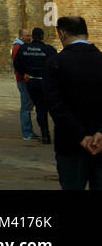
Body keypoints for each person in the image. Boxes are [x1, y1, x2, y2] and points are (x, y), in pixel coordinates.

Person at [43, 16, 102, 190]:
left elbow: (55, 106)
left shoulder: (55, 63)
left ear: (62, 34)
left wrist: (81, 136)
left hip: (70, 144)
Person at [14, 27, 57, 143]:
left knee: (39, 108)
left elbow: (17, 65)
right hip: (45, 82)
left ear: (32, 36)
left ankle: (45, 133)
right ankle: (48, 134)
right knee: (48, 108)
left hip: (31, 82)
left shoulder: (24, 48)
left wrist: (26, 73)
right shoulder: (49, 49)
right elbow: (56, 65)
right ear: (42, 36)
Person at [12, 28, 35, 141]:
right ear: (21, 36)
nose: (29, 38)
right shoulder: (18, 47)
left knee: (28, 106)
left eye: (30, 35)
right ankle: (27, 133)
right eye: (27, 36)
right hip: (23, 79)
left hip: (24, 79)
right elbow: (18, 64)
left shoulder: (22, 46)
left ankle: (29, 131)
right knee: (26, 107)